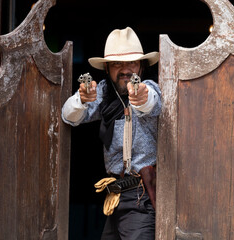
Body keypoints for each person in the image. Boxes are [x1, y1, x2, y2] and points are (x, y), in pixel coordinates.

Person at [61, 27, 161, 240]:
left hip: (141, 196)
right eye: (117, 64)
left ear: (141, 66)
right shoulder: (104, 91)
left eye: (132, 63)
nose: (125, 70)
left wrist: (141, 97)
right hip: (116, 196)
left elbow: (151, 101)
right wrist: (81, 99)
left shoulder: (150, 87)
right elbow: (69, 116)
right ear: (107, 68)